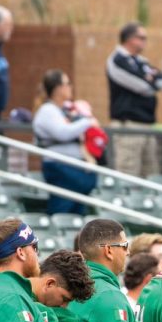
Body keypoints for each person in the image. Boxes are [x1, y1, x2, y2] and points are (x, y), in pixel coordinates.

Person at [31, 69, 99, 215]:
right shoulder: (47, 110)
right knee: (62, 210)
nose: (70, 87)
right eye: (67, 84)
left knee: (77, 214)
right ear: (57, 88)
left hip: (74, 167)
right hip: (60, 167)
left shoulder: (64, 110)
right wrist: (88, 122)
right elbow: (63, 133)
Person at [106, 21, 162, 178]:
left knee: (151, 173)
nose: (144, 42)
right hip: (128, 126)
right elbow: (142, 86)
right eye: (141, 37)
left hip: (147, 124)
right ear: (129, 39)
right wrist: (149, 81)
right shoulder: (117, 59)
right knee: (128, 172)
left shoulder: (141, 62)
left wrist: (150, 80)